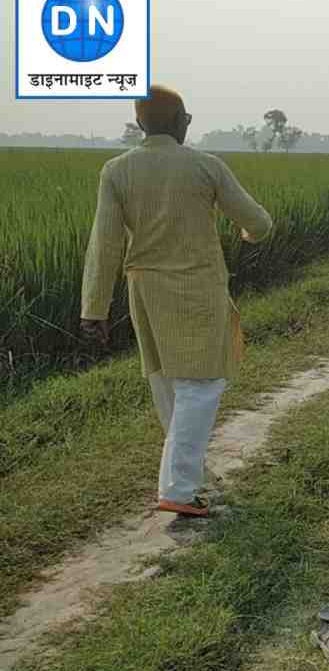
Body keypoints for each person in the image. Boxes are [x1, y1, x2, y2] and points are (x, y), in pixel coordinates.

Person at [80, 85, 273, 518]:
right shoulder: (205, 166)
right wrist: (250, 235)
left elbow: (104, 244)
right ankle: (179, 490)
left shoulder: (116, 170)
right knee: (201, 386)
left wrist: (93, 308)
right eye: (186, 117)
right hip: (196, 290)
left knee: (169, 388)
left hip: (144, 292)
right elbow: (257, 221)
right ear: (175, 120)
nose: (189, 124)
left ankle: (190, 477)